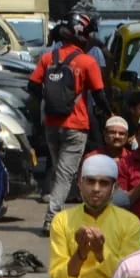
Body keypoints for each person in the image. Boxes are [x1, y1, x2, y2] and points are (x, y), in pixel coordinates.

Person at [30, 20, 106, 226]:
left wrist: (49, 102)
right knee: (65, 173)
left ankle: (62, 209)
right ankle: (51, 218)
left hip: (51, 123)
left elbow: (33, 86)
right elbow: (99, 93)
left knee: (59, 169)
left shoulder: (47, 58)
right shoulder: (87, 61)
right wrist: (109, 114)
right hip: (76, 124)